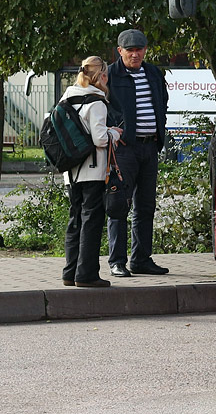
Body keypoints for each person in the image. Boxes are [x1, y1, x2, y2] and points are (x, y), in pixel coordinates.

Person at [106, 29, 170, 277]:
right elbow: (101, 103)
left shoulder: (153, 72)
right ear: (119, 50)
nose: (135, 54)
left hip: (149, 146)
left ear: (145, 49)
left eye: (139, 49)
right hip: (124, 149)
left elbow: (162, 101)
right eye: (130, 49)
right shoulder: (110, 74)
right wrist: (116, 128)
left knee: (145, 206)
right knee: (119, 205)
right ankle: (117, 261)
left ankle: (141, 259)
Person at [60, 57, 124, 287]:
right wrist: (114, 133)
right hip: (93, 171)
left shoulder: (67, 97)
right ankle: (86, 275)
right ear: (102, 76)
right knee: (91, 221)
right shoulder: (96, 102)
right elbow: (99, 138)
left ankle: (70, 272)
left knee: (75, 219)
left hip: (70, 171)